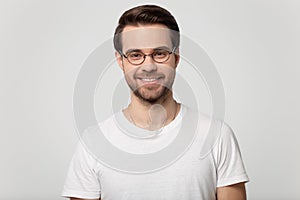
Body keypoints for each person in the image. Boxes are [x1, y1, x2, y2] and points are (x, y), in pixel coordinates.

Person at [62, 4, 249, 200]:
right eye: (135, 55)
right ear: (120, 61)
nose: (149, 66)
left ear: (176, 57)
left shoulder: (217, 136)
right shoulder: (94, 142)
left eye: (160, 53)